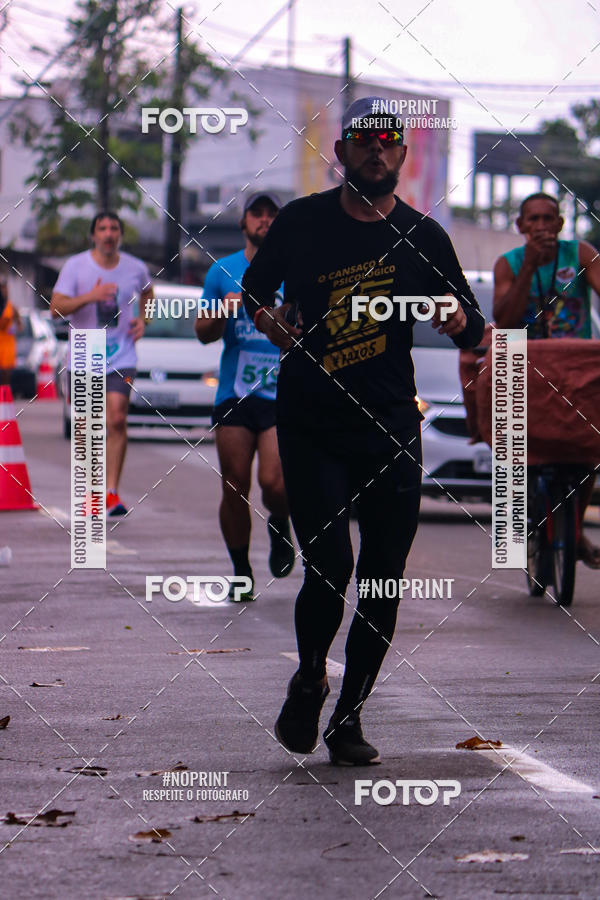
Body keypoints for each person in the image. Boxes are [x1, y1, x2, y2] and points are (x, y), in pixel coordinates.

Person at [242, 97, 484, 765]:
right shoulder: (301, 222)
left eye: (388, 142)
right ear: (341, 151)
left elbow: (474, 321)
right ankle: (310, 676)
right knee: (332, 568)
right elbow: (255, 294)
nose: (376, 151)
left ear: (402, 156)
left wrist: (459, 321)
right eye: (363, 141)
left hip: (390, 427)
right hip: (313, 420)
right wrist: (271, 323)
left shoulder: (424, 236)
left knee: (382, 576)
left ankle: (349, 719)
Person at [195, 192, 295, 601]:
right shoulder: (223, 271)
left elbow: (304, 334)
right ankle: (240, 571)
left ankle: (280, 521)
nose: (265, 220)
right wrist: (225, 308)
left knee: (274, 483)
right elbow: (202, 332)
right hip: (234, 395)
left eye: (273, 214)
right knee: (234, 486)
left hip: (279, 395)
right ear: (244, 223)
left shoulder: (293, 271)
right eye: (258, 213)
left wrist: (282, 319)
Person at [493, 192, 600, 567]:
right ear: (521, 227)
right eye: (533, 220)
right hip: (528, 370)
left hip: (577, 369)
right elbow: (504, 322)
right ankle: (512, 534)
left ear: (560, 224)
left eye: (548, 219)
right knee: (513, 450)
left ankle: (575, 529)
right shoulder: (508, 264)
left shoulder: (582, 254)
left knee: (588, 448)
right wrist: (530, 268)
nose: (541, 226)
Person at [50, 211, 153, 516]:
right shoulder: (75, 267)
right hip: (85, 351)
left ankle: (111, 493)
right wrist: (91, 296)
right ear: (93, 235)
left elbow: (148, 292)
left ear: (120, 234)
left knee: (117, 419)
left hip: (122, 353)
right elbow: (56, 308)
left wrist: (143, 320)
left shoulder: (135, 267)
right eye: (102, 228)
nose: (108, 234)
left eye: (114, 229)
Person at [0, 287, 22, 387]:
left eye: (6, 291)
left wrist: (14, 328)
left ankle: (5, 393)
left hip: (7, 343)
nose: (4, 293)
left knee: (5, 372)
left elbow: (20, 326)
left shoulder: (11, 307)